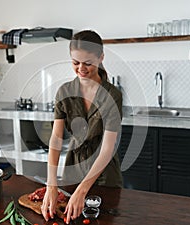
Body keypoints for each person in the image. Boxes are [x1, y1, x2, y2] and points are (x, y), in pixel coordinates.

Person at [41, 30, 123, 224]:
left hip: (105, 174)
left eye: (88, 63)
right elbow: (56, 139)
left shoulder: (113, 95)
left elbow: (107, 147)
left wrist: (82, 190)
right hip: (73, 169)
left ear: (101, 57)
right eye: (75, 62)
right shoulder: (64, 92)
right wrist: (51, 184)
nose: (81, 68)